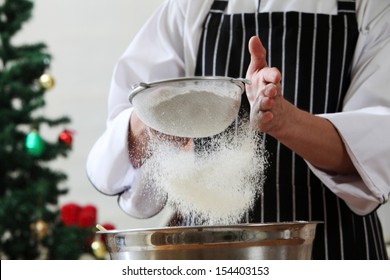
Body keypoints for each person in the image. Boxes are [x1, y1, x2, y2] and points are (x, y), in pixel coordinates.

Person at [86, 0, 390, 259]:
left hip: (335, 251)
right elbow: (119, 141)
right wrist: (146, 124)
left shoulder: (372, 7)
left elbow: (377, 146)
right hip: (205, 254)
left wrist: (283, 120)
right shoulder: (193, 6)